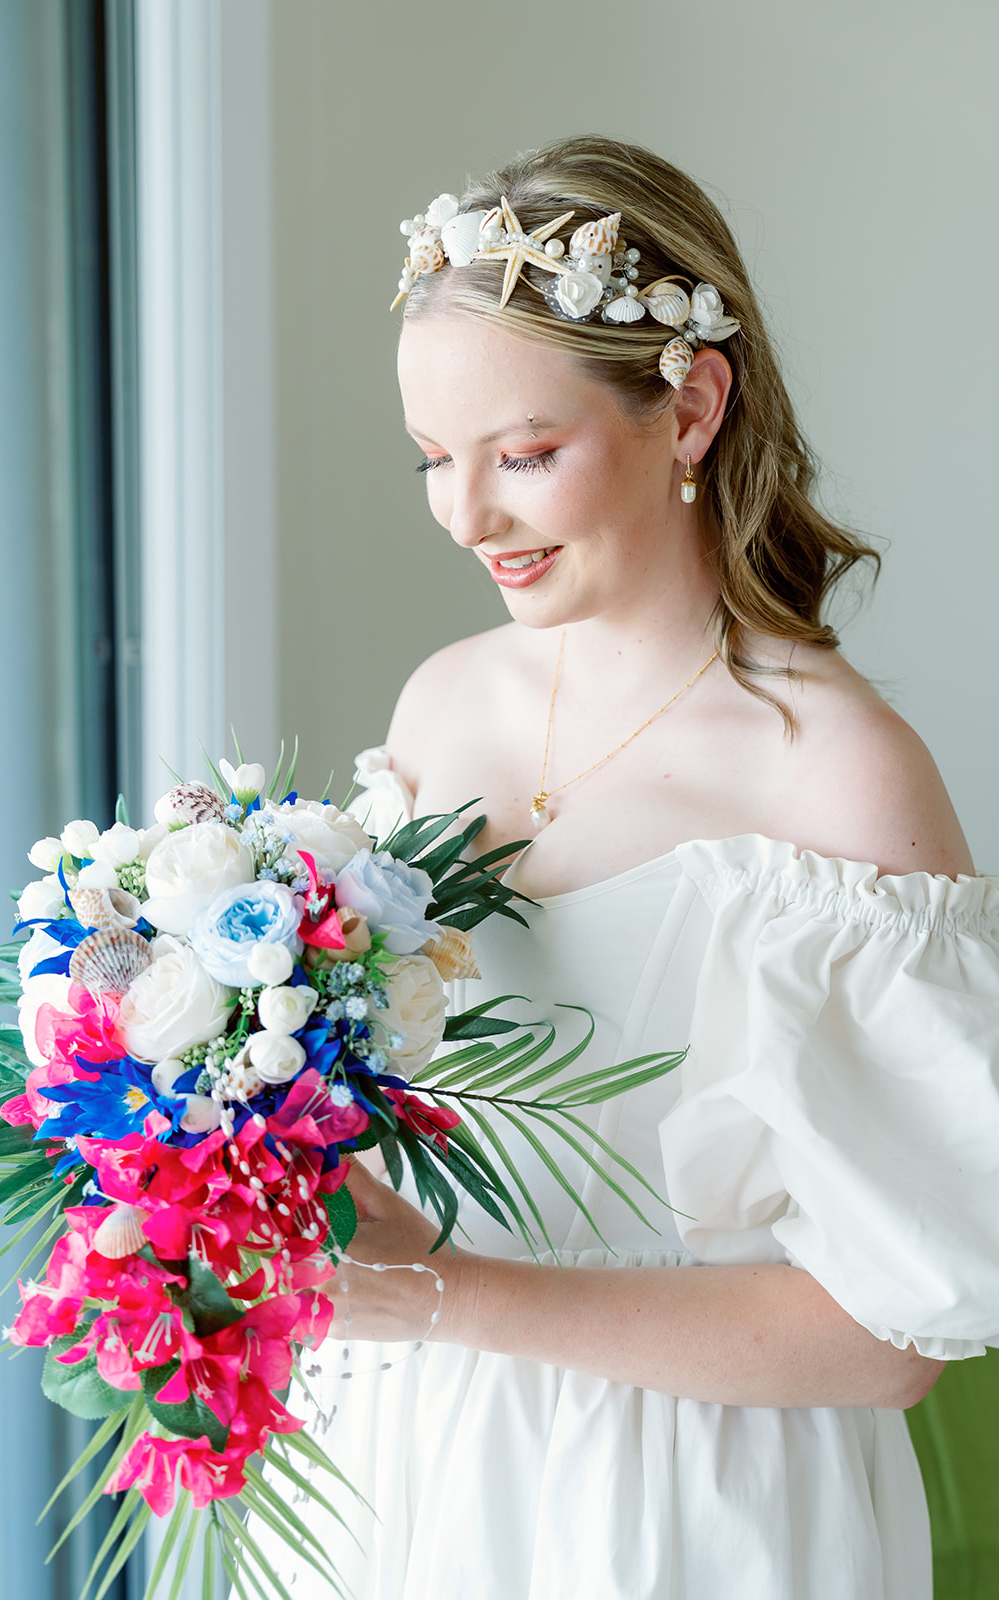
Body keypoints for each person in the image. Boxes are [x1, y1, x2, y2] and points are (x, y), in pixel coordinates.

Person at [270, 136, 999, 1599]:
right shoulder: (445, 705)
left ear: (691, 405)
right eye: (433, 459)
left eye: (523, 457)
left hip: (691, 1498)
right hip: (404, 1453)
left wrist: (448, 1297)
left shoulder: (839, 775)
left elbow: (885, 1343)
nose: (464, 517)